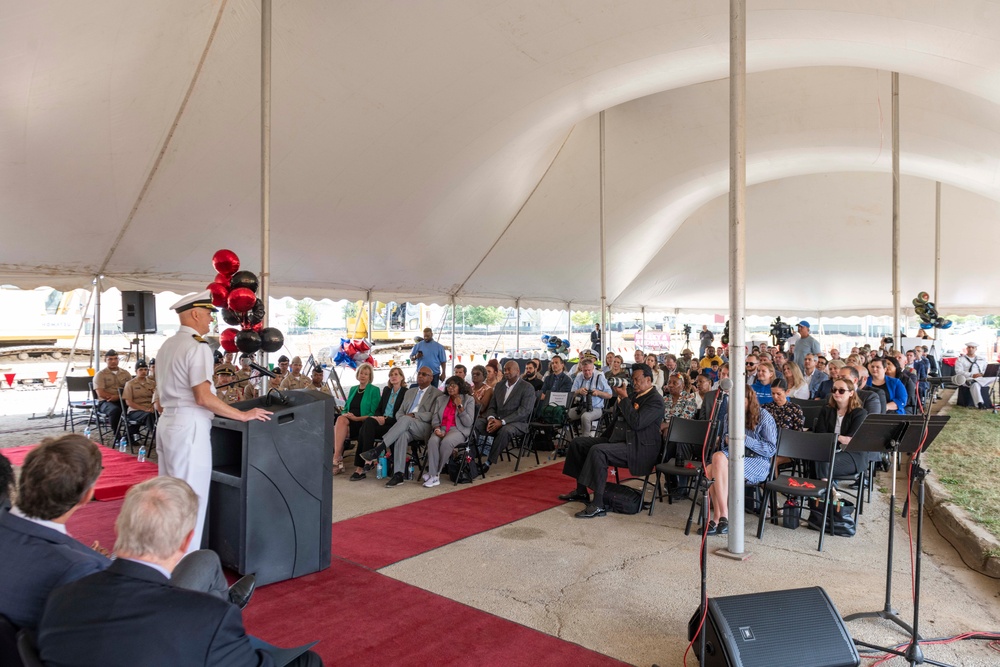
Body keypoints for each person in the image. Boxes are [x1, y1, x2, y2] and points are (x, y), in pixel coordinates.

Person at [37, 477, 322, 667]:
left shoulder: (61, 596)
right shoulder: (205, 616)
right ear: (185, 540)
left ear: (117, 528)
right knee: (308, 661)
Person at [0, 436, 254, 633]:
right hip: (139, 625)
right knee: (205, 561)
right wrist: (103, 565)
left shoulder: (18, 533)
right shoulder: (78, 567)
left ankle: (225, 608)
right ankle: (224, 617)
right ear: (88, 495)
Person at [154, 290, 271, 553]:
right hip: (189, 427)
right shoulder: (197, 346)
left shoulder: (167, 346)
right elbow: (203, 397)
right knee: (190, 500)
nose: (210, 320)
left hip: (168, 423)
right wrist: (243, 415)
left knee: (169, 499)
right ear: (195, 314)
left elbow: (161, 397)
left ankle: (165, 560)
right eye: (208, 314)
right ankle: (185, 569)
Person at [558, 363, 664, 518]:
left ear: (648, 379)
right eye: (632, 379)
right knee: (578, 443)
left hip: (639, 448)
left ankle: (599, 504)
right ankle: (581, 491)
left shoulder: (655, 400)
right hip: (620, 441)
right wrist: (621, 398)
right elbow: (618, 419)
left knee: (598, 451)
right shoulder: (633, 395)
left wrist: (625, 398)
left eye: (637, 379)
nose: (634, 383)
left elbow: (637, 423)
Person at [701, 392, 778, 536]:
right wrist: (726, 440)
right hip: (734, 457)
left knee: (712, 466)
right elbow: (725, 447)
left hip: (757, 461)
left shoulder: (764, 416)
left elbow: (770, 449)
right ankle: (722, 517)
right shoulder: (729, 416)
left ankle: (720, 517)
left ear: (750, 400)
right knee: (713, 463)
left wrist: (745, 440)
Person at [375, 367, 441, 487]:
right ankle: (399, 474)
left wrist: (414, 415)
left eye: (424, 374)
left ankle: (381, 447)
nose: (420, 376)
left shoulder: (437, 394)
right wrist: (404, 420)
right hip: (406, 426)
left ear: (431, 378)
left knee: (406, 419)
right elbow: (399, 413)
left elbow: (433, 415)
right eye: (419, 373)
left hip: (423, 427)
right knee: (402, 435)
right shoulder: (410, 392)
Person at [475, 361, 537, 472]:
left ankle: (488, 463)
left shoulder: (527, 388)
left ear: (518, 371)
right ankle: (468, 458)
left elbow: (524, 411)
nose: (506, 372)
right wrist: (491, 418)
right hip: (497, 419)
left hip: (518, 423)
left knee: (505, 430)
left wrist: (502, 421)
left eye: (509, 369)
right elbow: (492, 407)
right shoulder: (499, 386)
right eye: (505, 369)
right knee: (477, 424)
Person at [351, 366, 407, 480]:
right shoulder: (387, 390)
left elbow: (402, 415)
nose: (393, 377)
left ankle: (362, 466)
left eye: (396, 374)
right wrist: (378, 417)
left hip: (394, 425)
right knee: (368, 424)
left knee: (363, 430)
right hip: (381, 422)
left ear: (402, 377)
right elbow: (379, 408)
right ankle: (368, 460)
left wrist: (385, 419)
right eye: (391, 375)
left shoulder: (406, 392)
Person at [812, 378, 870, 479]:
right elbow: (820, 434)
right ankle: (828, 488)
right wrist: (839, 438)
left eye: (841, 391)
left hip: (852, 454)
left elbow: (850, 440)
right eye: (834, 390)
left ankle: (826, 490)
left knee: (822, 460)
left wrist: (833, 437)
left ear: (851, 393)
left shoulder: (860, 413)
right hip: (828, 450)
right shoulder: (826, 409)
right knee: (818, 457)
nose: (836, 393)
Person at [423, 376, 475, 487]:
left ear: (459, 387)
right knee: (433, 441)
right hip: (442, 428)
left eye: (453, 385)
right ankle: (433, 475)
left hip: (458, 429)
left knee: (446, 442)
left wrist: (460, 406)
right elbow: (435, 416)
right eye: (448, 385)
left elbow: (468, 422)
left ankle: (435, 473)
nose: (450, 388)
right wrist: (436, 428)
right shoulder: (441, 399)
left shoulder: (468, 399)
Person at [332, 362, 380, 475]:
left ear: (370, 377)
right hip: (348, 421)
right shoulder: (353, 389)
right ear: (357, 374)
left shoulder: (374, 390)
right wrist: (345, 414)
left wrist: (356, 418)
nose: (363, 376)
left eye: (366, 374)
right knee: (340, 419)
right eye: (361, 373)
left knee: (337, 428)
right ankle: (337, 457)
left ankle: (337, 459)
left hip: (363, 423)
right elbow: (346, 407)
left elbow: (373, 414)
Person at [567, 357, 613, 436]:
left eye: (589, 370)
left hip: (596, 408)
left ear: (593, 369)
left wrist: (598, 393)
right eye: (585, 370)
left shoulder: (599, 377)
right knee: (565, 415)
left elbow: (610, 395)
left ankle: (585, 440)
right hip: (581, 406)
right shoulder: (579, 376)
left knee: (585, 417)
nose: (587, 372)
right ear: (581, 369)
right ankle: (571, 440)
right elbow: (571, 394)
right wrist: (579, 391)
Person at [93, 349, 132, 435]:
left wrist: (118, 397)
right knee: (115, 410)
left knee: (134, 409)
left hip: (122, 399)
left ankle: (130, 435)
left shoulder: (125, 373)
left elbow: (131, 389)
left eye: (115, 358)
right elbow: (100, 393)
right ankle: (117, 435)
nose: (113, 361)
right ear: (105, 360)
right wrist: (113, 397)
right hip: (105, 401)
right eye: (110, 359)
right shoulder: (100, 374)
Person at [122, 359, 157, 433]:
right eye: (141, 370)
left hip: (150, 409)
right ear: (136, 371)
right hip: (135, 411)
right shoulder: (130, 384)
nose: (143, 371)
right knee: (149, 415)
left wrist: (152, 407)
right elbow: (129, 402)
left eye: (145, 369)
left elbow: (156, 398)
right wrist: (144, 408)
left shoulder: (152, 383)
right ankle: (157, 437)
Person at [954, 342, 990, 409]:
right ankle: (980, 404)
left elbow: (986, 369)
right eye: (969, 347)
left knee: (995, 377)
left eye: (973, 347)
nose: (971, 349)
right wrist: (972, 375)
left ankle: (976, 381)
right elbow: (958, 371)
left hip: (981, 378)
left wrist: (981, 374)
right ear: (967, 348)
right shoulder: (961, 359)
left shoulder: (982, 359)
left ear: (976, 349)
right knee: (975, 385)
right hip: (968, 379)